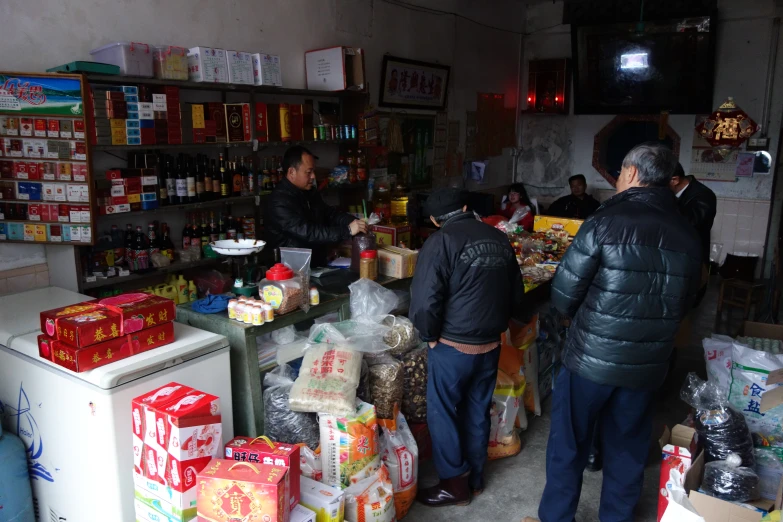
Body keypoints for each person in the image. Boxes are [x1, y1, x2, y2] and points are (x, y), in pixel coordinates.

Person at [523, 143, 701, 522]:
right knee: (627, 449)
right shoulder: (687, 233)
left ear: (633, 174)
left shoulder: (604, 221)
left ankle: (556, 517)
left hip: (590, 360)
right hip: (647, 365)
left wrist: (582, 318)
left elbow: (563, 295)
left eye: (620, 172)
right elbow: (686, 302)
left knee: (569, 444)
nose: (619, 179)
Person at [409, 188, 526, 508]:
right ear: (464, 207)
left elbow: (424, 302)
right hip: (490, 344)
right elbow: (518, 295)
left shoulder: (439, 242)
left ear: (434, 220)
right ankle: (474, 478)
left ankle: (453, 484)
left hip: (452, 345)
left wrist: (428, 336)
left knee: (443, 413)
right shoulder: (498, 238)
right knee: (477, 408)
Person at [264, 145, 366, 266]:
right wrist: (347, 230)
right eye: (308, 172)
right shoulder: (278, 201)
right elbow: (308, 232)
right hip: (290, 270)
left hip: (314, 265)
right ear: (291, 172)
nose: (313, 176)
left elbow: (329, 214)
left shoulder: (308, 192)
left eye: (313, 171)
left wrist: (356, 222)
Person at [670, 162, 716, 302]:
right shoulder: (676, 194)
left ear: (674, 180)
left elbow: (690, 227)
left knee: (685, 306)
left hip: (691, 261)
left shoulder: (703, 195)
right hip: (676, 261)